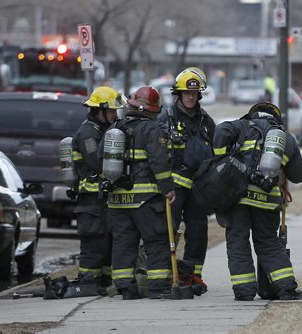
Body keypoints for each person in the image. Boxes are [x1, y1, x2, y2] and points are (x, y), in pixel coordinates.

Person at [213, 102, 302, 301]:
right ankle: (286, 288)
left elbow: (221, 130)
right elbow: (299, 174)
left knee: (238, 242)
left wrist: (221, 159)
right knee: (268, 242)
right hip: (267, 200)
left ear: (254, 114)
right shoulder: (285, 138)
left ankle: (244, 291)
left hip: (239, 197)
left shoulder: (241, 126)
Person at [105, 86, 176, 299]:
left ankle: (126, 288)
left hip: (117, 199)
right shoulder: (151, 130)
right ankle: (158, 287)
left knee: (123, 243)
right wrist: (168, 189)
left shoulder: (115, 128)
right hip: (145, 200)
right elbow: (159, 162)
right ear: (152, 110)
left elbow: (101, 156)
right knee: (156, 241)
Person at [158, 68, 216, 284]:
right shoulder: (166, 120)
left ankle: (193, 275)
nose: (191, 96)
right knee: (167, 231)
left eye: (194, 93)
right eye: (186, 93)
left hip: (199, 189)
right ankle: (166, 275)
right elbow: (157, 155)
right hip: (174, 189)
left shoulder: (206, 122)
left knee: (199, 233)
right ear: (179, 94)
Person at [72, 86, 120, 293]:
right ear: (99, 110)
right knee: (94, 245)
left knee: (107, 244)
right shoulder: (88, 134)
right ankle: (88, 283)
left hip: (102, 201)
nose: (115, 115)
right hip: (91, 202)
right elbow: (96, 161)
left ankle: (103, 285)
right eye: (111, 111)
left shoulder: (102, 130)